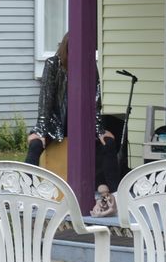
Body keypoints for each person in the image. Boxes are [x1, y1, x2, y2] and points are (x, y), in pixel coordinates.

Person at [23, 32, 121, 202]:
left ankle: (116, 194)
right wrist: (40, 131)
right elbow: (46, 99)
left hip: (82, 123)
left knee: (108, 143)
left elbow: (95, 98)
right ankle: (25, 190)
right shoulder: (53, 64)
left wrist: (99, 129)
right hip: (55, 123)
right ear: (66, 49)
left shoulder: (89, 65)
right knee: (35, 145)